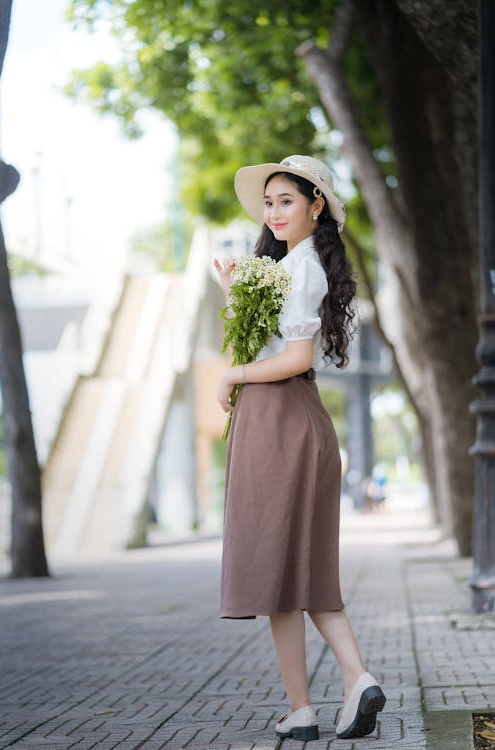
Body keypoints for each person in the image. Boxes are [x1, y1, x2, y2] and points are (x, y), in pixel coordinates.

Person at [213, 155, 386, 742]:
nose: (274, 212)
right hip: (288, 419)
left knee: (283, 569)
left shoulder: (303, 268)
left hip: (282, 420)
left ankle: (333, 691)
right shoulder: (290, 266)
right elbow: (257, 343)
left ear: (316, 205)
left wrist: (233, 377)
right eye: (269, 202)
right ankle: (322, 698)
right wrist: (236, 293)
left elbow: (293, 358)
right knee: (293, 573)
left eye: (286, 200)